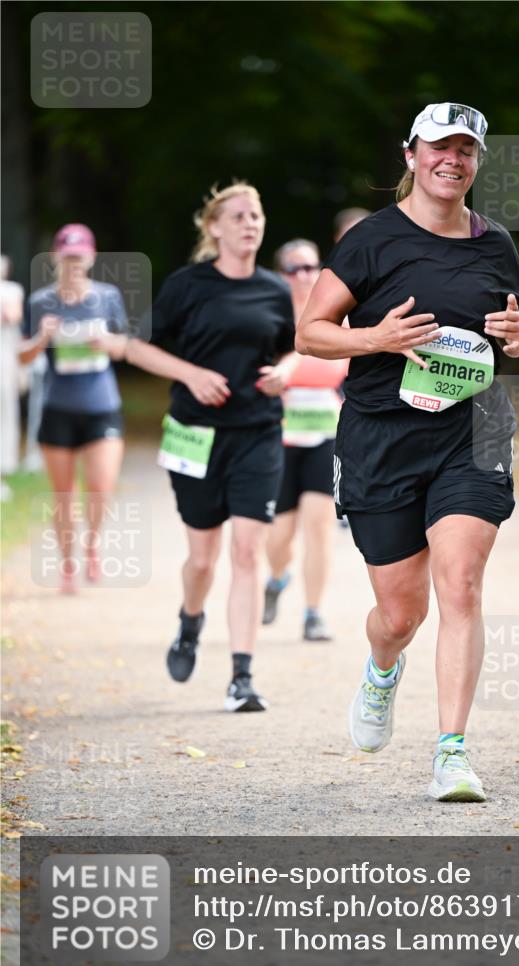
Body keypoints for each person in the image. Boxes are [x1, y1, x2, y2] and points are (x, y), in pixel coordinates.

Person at [297, 103, 519, 802]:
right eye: (438, 146)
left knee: (459, 581)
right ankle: (380, 667)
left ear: (475, 162)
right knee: (400, 614)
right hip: (382, 438)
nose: (451, 159)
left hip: (471, 433)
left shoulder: (496, 244)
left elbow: (515, 332)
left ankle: (451, 752)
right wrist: (376, 339)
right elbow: (311, 333)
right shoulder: (371, 241)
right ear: (410, 155)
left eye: (465, 149)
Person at [139, 182, 298, 712]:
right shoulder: (187, 285)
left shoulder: (275, 289)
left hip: (257, 433)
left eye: (256, 215)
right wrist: (192, 375)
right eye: (238, 216)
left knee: (247, 551)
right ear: (214, 227)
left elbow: (295, 348)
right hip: (194, 433)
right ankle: (190, 620)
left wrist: (285, 372)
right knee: (203, 559)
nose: (250, 224)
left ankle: (242, 676)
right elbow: (138, 346)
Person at [19, 225, 128, 592]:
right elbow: (21, 356)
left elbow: (123, 345)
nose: (73, 264)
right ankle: (68, 563)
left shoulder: (108, 296)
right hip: (59, 408)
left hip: (102, 405)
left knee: (100, 487)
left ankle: (92, 543)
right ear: (55, 259)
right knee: (63, 495)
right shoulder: (40, 302)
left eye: (79, 257)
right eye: (67, 258)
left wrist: (107, 343)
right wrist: (43, 337)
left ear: (91, 257)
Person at [262, 239, 347, 641]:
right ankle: (277, 580)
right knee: (278, 537)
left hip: (325, 434)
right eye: (295, 268)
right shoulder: (269, 320)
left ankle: (314, 613)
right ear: (281, 275)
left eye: (312, 266)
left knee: (319, 526)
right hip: (278, 438)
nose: (306, 275)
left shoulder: (336, 318)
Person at [0, 255, 24, 499]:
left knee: (6, 416)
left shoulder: (10, 291)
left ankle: (3, 471)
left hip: (5, 362)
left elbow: (12, 316)